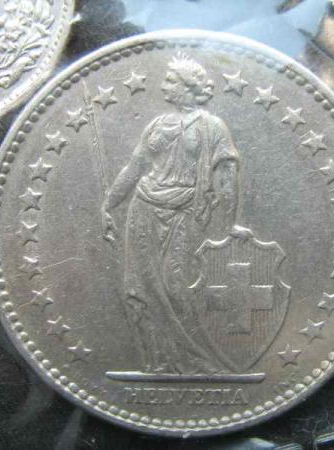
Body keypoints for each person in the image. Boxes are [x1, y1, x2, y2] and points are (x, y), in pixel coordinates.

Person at [102, 53, 243, 374]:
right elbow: (135, 166)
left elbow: (226, 176)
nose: (164, 85)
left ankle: (196, 361)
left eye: (171, 80)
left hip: (184, 211)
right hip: (143, 208)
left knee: (175, 285)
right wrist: (109, 203)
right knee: (138, 287)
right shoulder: (157, 124)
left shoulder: (212, 126)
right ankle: (157, 362)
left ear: (189, 87)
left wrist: (230, 222)